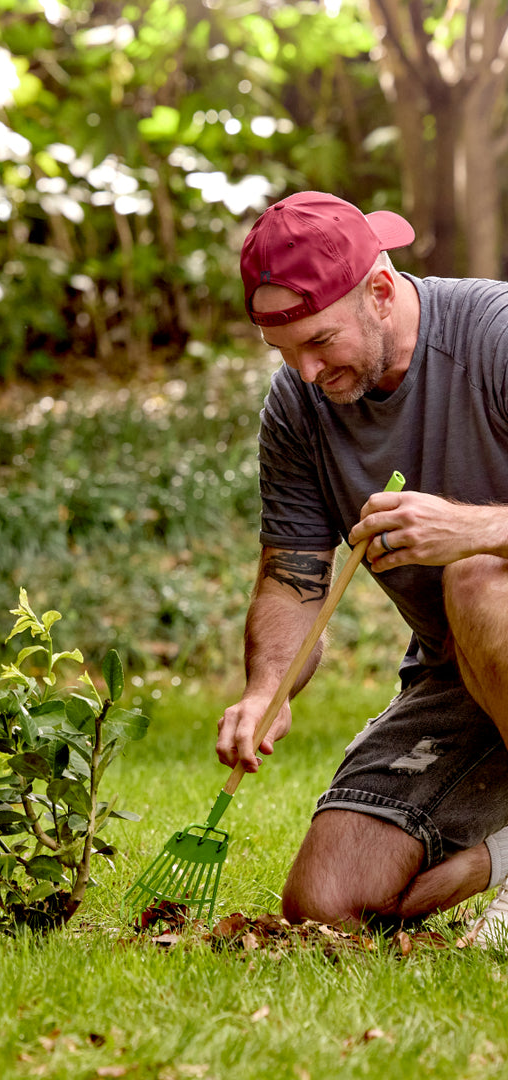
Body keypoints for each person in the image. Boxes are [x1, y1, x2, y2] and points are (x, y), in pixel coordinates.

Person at [216, 190, 508, 943]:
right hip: (463, 671)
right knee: (328, 901)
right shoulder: (298, 410)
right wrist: (265, 690)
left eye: (319, 342)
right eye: (283, 353)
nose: (305, 373)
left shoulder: (494, 337)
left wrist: (471, 527)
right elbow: (292, 575)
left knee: (475, 577)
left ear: (379, 291)